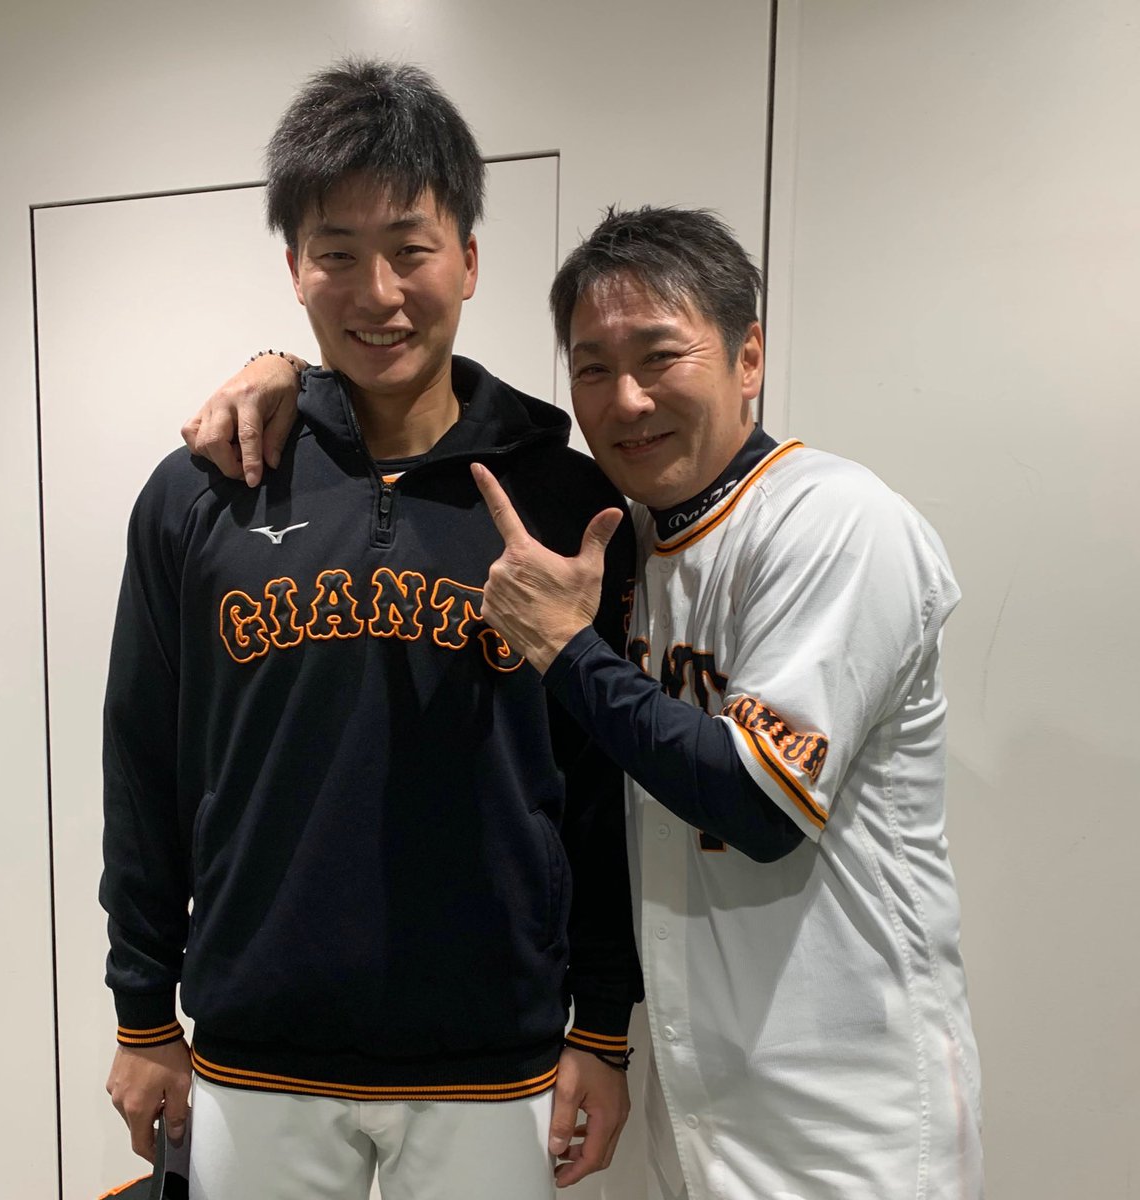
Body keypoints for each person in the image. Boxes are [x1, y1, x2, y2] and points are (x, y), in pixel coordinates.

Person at [194, 206, 984, 1198]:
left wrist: (565, 648)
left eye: (660, 357)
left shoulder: (835, 522)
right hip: (703, 1088)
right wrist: (284, 371)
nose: (627, 400)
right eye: (593, 368)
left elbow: (757, 803)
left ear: (749, 357)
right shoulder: (635, 542)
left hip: (848, 1098)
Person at [101, 60, 642, 1200]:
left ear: (470, 261)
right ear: (293, 270)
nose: (378, 292)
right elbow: (143, 763)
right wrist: (142, 1014)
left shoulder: (566, 501)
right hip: (256, 1052)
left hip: (493, 1055)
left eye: (410, 248)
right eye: (337, 253)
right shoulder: (203, 491)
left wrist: (603, 1025)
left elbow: (600, 785)